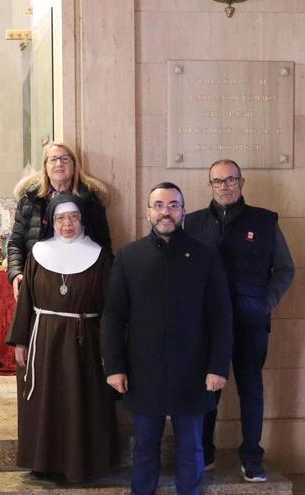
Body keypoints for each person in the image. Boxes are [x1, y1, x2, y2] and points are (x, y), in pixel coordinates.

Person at [102, 182, 233, 495]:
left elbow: (221, 316)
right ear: (148, 212)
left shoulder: (206, 255)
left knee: (191, 446)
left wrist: (218, 366)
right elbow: (113, 315)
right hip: (143, 368)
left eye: (173, 205)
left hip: (194, 369)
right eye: (159, 205)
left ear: (183, 212)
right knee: (145, 446)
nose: (166, 212)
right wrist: (114, 367)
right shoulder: (129, 256)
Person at [184, 159, 295, 482]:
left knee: (251, 389)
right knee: (207, 389)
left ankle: (252, 458)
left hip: (250, 321)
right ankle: (204, 451)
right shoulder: (192, 223)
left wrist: (265, 303)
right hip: (206, 324)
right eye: (218, 181)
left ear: (242, 182)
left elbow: (285, 269)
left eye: (231, 180)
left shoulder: (264, 221)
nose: (225, 186)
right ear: (210, 185)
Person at [6, 194, 117, 483]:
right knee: (46, 402)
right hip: (44, 339)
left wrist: (110, 349)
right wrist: (21, 341)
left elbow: (111, 309)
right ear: (51, 222)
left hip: (86, 342)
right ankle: (43, 462)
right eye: (61, 218)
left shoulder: (100, 257)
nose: (67, 224)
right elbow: (26, 301)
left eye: (73, 217)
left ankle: (82, 464)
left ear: (82, 220)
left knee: (81, 401)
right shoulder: (38, 253)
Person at [8, 142, 111, 301]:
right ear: (45, 167)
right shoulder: (30, 200)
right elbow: (16, 242)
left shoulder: (90, 200)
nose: (59, 164)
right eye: (53, 159)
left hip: (81, 281)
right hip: (39, 279)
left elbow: (103, 243)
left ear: (74, 165)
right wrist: (16, 273)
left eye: (64, 159)